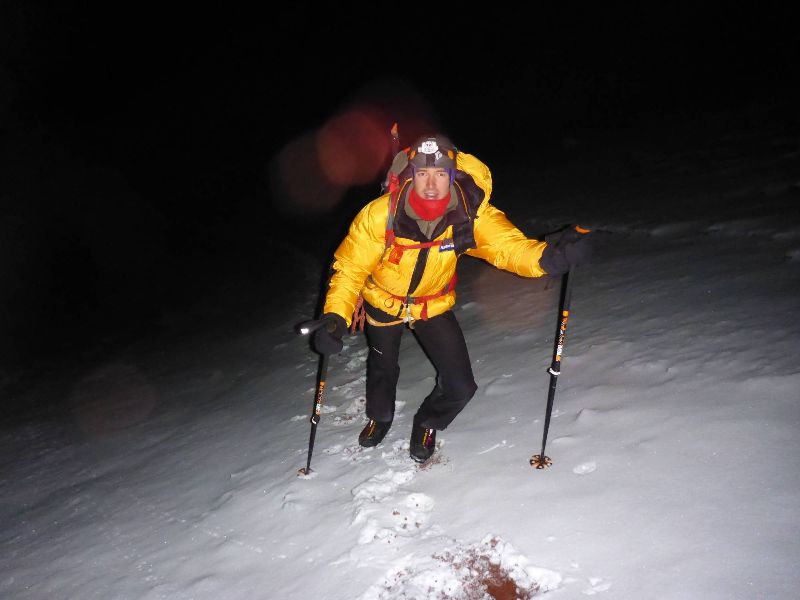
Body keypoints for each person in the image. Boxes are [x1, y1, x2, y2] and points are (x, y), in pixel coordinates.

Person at [311, 133, 591, 463]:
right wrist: (335, 317)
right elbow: (350, 268)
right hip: (384, 301)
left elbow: (508, 248)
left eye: (441, 173)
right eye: (423, 174)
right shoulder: (379, 216)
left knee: (461, 385)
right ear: (410, 175)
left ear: (453, 174)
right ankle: (380, 417)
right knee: (382, 367)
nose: (432, 184)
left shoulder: (469, 214)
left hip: (433, 304)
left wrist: (548, 257)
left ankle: (429, 421)